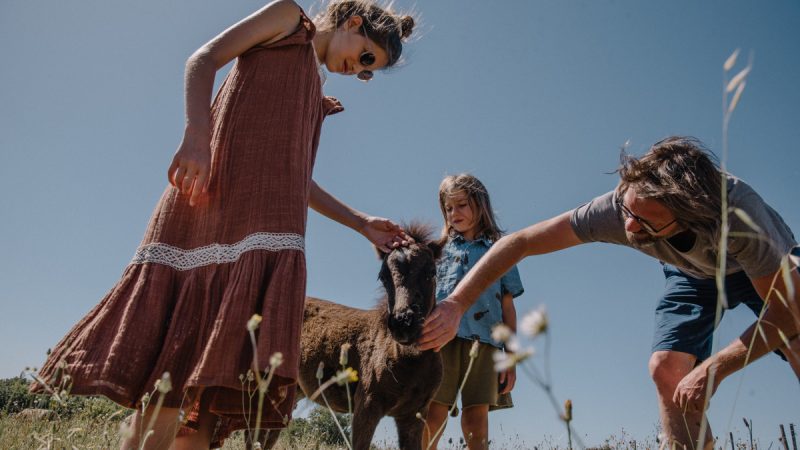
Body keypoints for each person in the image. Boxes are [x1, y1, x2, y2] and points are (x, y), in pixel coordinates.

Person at [32, 1, 416, 448]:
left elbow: (296, 178)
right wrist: (198, 134)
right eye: (366, 56)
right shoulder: (289, 21)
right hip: (210, 214)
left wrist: (360, 222)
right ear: (353, 22)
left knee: (212, 397)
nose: (358, 69)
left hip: (266, 235)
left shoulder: (314, 87)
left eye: (368, 72)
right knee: (173, 378)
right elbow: (203, 59)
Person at [418, 137, 800, 449]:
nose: (629, 227)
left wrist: (715, 369)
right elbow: (520, 243)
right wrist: (456, 304)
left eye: (644, 220)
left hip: (760, 270)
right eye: (627, 212)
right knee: (666, 368)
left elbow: (788, 311)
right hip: (690, 273)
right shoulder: (618, 210)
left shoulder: (739, 215)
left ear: (686, 213)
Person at [422, 174, 524, 450]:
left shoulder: (501, 251)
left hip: (486, 344)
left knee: (476, 420)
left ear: (480, 205)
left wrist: (511, 358)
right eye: (448, 208)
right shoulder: (437, 251)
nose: (454, 213)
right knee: (433, 413)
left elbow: (508, 308)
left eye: (462, 205)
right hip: (441, 340)